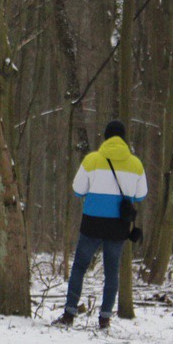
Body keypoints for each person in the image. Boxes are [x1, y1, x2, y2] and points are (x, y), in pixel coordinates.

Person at [53, 119, 147, 329]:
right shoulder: (135, 164)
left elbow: (78, 189)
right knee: (112, 272)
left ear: (105, 137)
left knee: (79, 267)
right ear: (123, 138)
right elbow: (141, 195)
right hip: (118, 226)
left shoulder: (92, 160)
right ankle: (104, 319)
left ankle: (69, 313)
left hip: (92, 223)